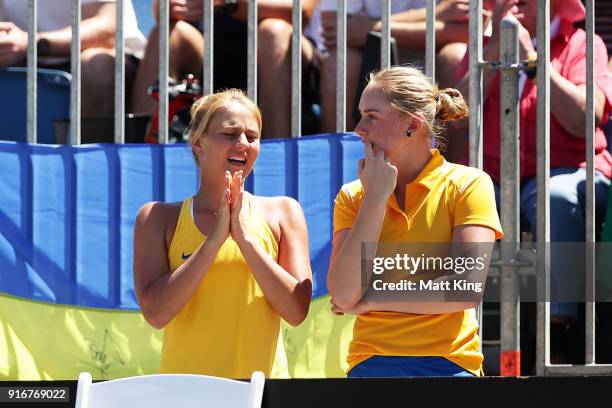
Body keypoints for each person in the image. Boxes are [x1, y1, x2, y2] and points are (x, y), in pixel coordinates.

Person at [454, 0, 612, 363]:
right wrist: (493, 55)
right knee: (460, 196)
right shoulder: (481, 44)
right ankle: (456, 329)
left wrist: (533, 61)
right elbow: (457, 117)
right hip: (490, 171)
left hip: (565, 165)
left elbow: (586, 118)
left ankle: (556, 336)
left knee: (557, 198)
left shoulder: (583, 44)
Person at [327, 66, 503, 377]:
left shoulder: (469, 184)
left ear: (413, 123)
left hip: (450, 364)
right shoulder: (353, 196)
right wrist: (375, 199)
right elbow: (342, 295)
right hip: (371, 363)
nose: (358, 129)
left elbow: (464, 288)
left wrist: (370, 300)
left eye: (371, 116)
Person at [133, 89, 312, 378]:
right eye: (230, 134)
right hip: (188, 395)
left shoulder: (284, 212)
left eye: (252, 137)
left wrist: (244, 239)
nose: (242, 143)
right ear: (198, 144)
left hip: (261, 392)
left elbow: (295, 311)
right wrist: (215, 239)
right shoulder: (156, 218)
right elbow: (156, 314)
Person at [131, 0, 318, 139]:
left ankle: (280, 156)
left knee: (273, 31)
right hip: (209, 51)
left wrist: (227, 4)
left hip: (281, 54)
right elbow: (162, 11)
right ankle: (140, 154)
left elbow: (302, 11)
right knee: (166, 34)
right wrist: (177, 8)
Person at [312, 0, 473, 133]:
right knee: (341, 62)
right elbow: (334, 27)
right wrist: (435, 13)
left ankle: (449, 169)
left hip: (434, 59)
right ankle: (339, 164)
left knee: (455, 57)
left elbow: (466, 29)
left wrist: (369, 28)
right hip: (370, 59)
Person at [0, 0, 146, 119]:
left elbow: (107, 30)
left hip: (108, 65)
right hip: (27, 63)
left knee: (98, 64)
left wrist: (33, 43)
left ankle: (90, 154)